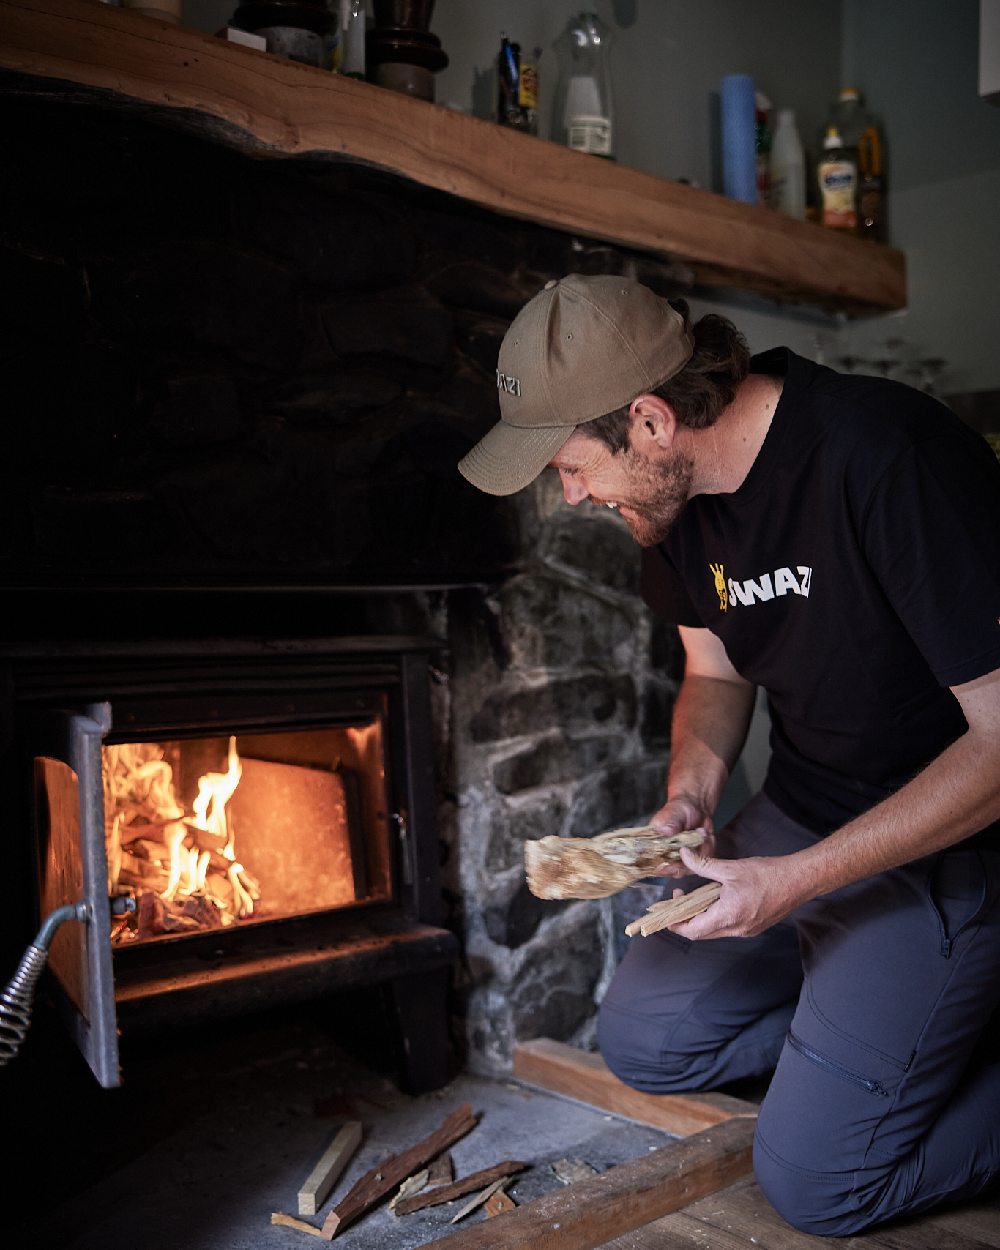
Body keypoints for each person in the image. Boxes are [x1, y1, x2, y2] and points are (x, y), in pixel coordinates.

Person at [457, 273, 1000, 1236]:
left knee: (821, 1186)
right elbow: (713, 672)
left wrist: (795, 884)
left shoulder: (887, 457)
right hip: (807, 807)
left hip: (949, 837)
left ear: (653, 420)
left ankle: (905, 1032)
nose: (569, 494)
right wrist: (689, 796)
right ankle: (892, 1032)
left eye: (572, 465)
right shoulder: (669, 507)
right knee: (646, 1041)